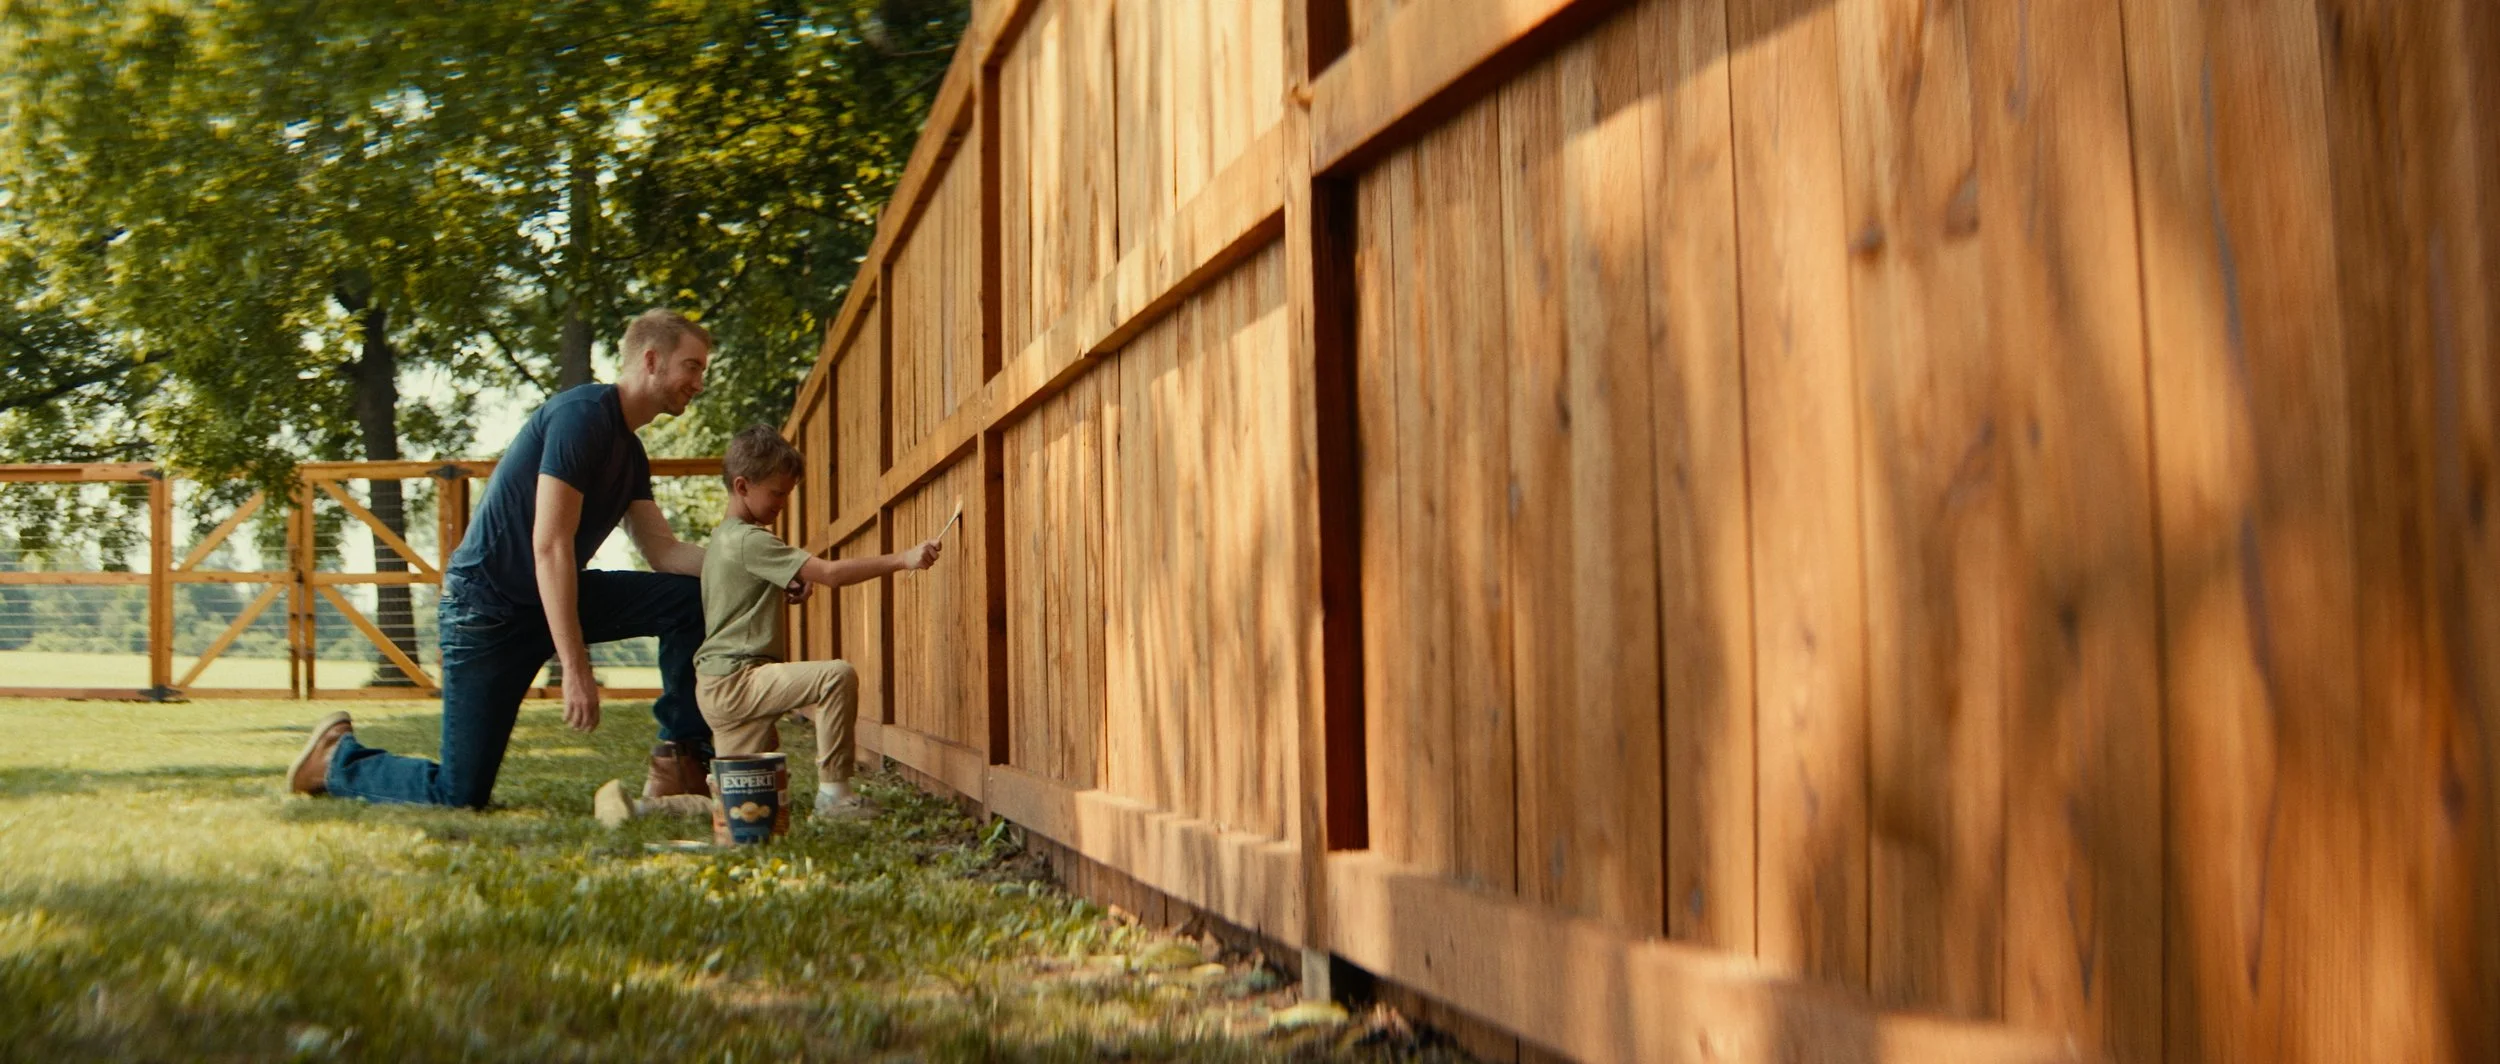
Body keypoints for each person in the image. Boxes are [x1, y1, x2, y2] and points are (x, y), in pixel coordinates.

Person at [286, 309, 721, 808]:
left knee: (688, 598)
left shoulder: (630, 452)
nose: (698, 381)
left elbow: (664, 551)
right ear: (651, 360)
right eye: (692, 366)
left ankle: (679, 758)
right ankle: (338, 759)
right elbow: (550, 545)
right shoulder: (581, 416)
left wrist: (758, 572)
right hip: (486, 612)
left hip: (550, 599)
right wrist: (576, 670)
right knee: (461, 793)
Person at [593, 425, 942, 826]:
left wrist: (787, 582)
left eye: (787, 494)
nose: (782, 504)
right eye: (776, 493)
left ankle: (637, 809)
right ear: (742, 486)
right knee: (836, 677)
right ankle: (835, 797)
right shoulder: (751, 541)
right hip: (739, 681)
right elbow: (829, 573)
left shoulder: (725, 539)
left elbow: (746, 589)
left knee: (747, 805)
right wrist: (903, 559)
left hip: (716, 684)